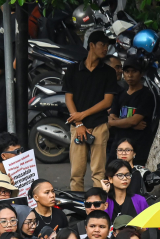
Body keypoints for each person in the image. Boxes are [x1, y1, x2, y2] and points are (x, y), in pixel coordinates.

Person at [64, 29, 120, 191]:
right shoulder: (73, 70)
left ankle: (99, 208)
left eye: (107, 46)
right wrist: (79, 123)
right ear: (91, 45)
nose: (105, 49)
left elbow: (108, 101)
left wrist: (82, 115)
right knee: (76, 174)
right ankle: (77, 210)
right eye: (102, 45)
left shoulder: (108, 72)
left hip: (99, 125)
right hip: (77, 127)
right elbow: (69, 98)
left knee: (99, 173)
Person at [108, 55, 155, 164]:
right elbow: (112, 118)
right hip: (118, 144)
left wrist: (115, 122)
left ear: (141, 73)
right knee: (112, 175)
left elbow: (134, 120)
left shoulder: (146, 95)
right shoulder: (119, 94)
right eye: (127, 71)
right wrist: (132, 125)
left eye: (134, 71)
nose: (130, 75)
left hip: (138, 146)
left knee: (135, 177)